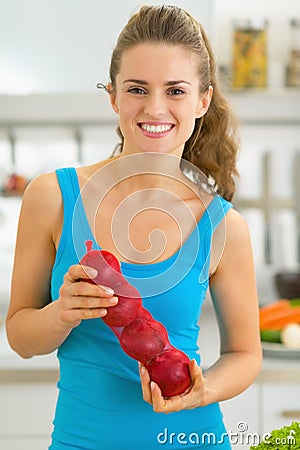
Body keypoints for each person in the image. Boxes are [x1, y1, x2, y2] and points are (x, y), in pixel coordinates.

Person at [6, 4, 262, 450]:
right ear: (113, 97)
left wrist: (205, 390)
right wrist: (60, 313)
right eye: (137, 89)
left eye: (176, 91)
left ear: (203, 100)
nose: (155, 108)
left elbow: (245, 354)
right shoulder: (53, 197)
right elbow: (21, 338)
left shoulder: (223, 225)